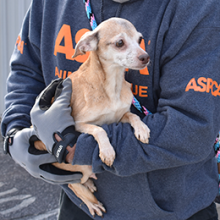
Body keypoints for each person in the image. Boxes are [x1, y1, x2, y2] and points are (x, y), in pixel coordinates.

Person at [1, 0, 220, 219]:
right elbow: (26, 71)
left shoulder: (198, 8)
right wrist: (16, 132)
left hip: (174, 211)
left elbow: (192, 127)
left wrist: (74, 149)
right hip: (80, 205)